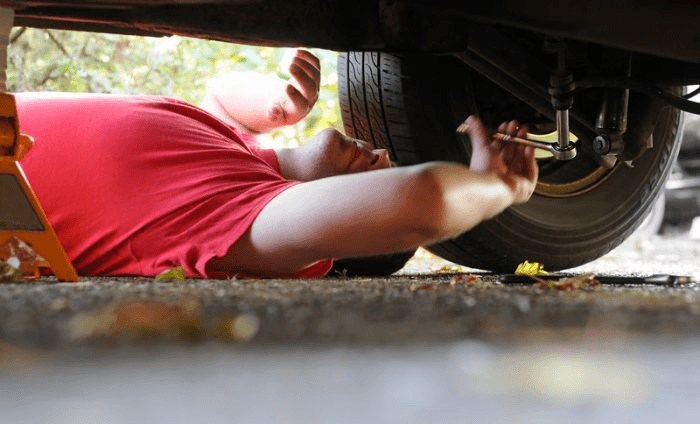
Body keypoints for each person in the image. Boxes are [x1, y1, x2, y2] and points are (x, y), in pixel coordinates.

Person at [15, 49, 537, 279]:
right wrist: (276, 110)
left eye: (382, 172)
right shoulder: (238, 154)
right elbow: (219, 95)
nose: (381, 154)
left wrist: (497, 188)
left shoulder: (230, 216)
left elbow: (420, 201)